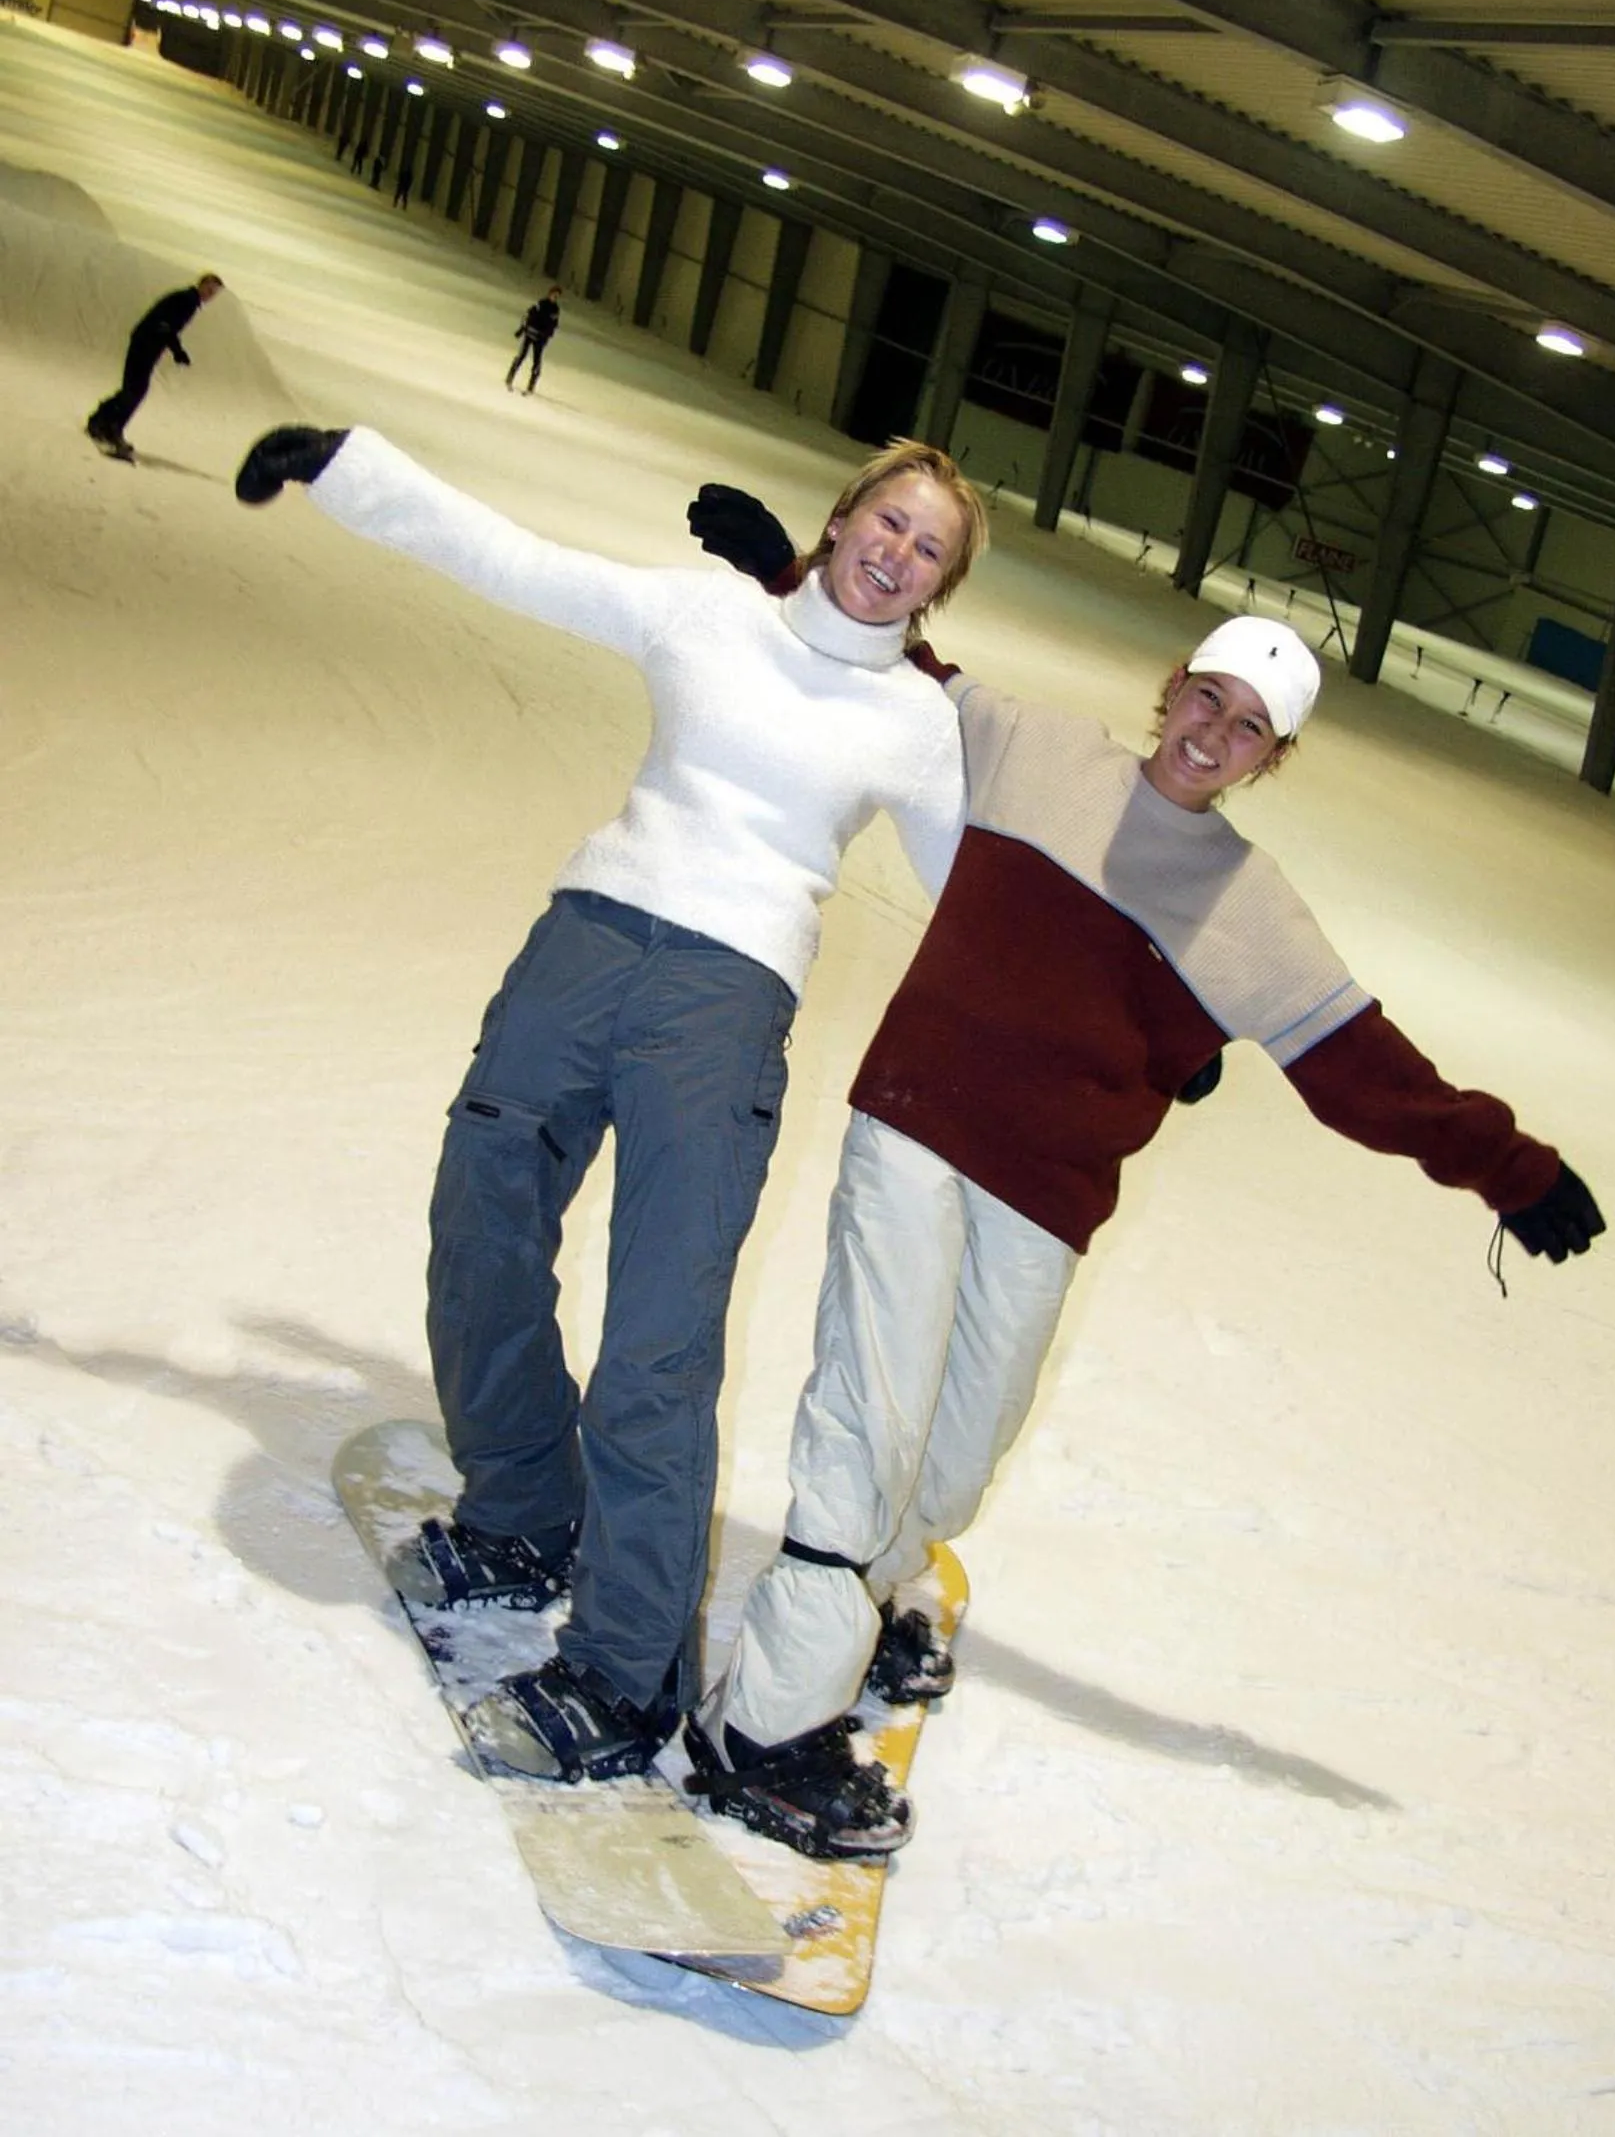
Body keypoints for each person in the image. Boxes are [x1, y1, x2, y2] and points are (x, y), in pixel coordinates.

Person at [670, 517, 1605, 1859]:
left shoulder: (1251, 908)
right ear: (1173, 687)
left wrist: (1505, 1167)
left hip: (1045, 1189)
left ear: (1274, 759)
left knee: (961, 1445)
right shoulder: (1035, 747)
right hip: (920, 1121)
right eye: (1207, 699)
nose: (1212, 735)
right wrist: (784, 571)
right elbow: (897, 668)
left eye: (1249, 729)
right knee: (870, 1420)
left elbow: (1364, 1071)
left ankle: (862, 1604)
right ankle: (762, 1728)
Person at [231, 425, 990, 1782]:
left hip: (727, 1000)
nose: (898, 553)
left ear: (940, 586)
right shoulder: (706, 615)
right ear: (842, 517)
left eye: (929, 549)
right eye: (890, 520)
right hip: (587, 935)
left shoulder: (918, 725)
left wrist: (1134, 1016)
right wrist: (345, 466)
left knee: (658, 1339)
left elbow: (983, 907)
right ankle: (525, 1505)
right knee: (480, 1220)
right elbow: (513, 560)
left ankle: (626, 1671)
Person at [86, 273, 223, 461]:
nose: (210, 295)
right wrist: (177, 350)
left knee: (134, 389)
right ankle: (110, 428)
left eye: (214, 294)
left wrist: (175, 349)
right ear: (201, 284)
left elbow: (167, 326)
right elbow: (165, 325)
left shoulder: (187, 299)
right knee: (136, 390)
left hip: (146, 344)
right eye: (209, 290)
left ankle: (99, 421)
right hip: (145, 344)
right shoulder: (186, 300)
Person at [507, 286, 562, 394]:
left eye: (557, 296)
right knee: (521, 356)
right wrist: (522, 329)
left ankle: (531, 385)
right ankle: (510, 376)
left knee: (537, 361)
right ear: (549, 294)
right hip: (530, 333)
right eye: (554, 295)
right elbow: (529, 315)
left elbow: (553, 325)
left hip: (540, 338)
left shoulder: (555, 309)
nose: (555, 297)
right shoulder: (541, 304)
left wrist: (546, 336)